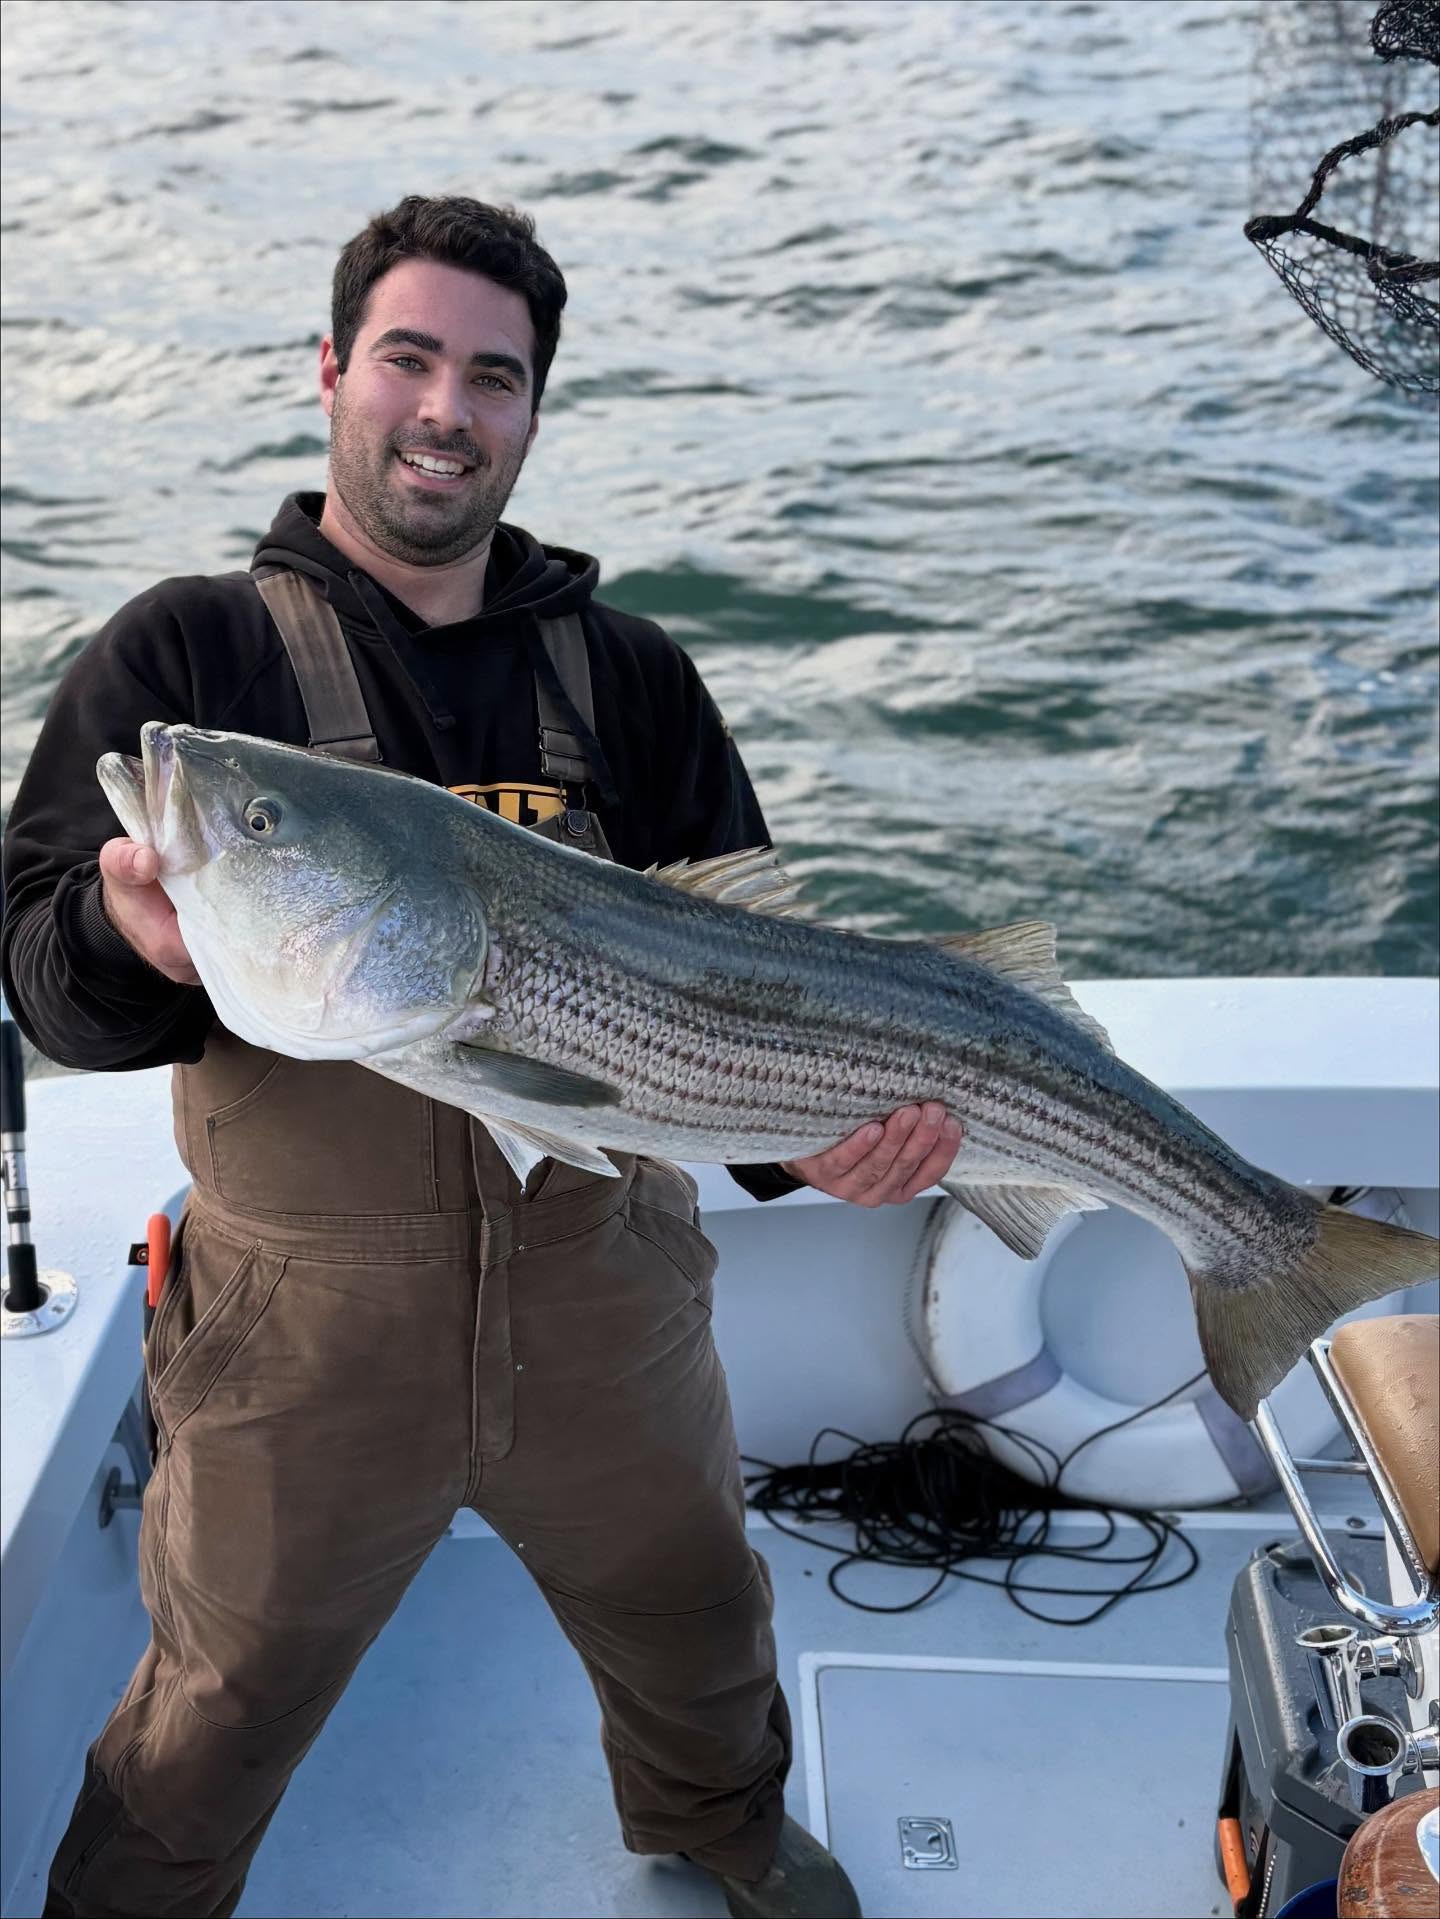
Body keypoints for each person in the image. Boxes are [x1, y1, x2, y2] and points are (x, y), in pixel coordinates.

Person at [1, 195, 963, 1919]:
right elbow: (48, 983)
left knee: (698, 1620)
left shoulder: (631, 675)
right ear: (332, 373)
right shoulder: (189, 660)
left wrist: (813, 1145)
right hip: (305, 1335)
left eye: (494, 377)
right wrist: (114, 937)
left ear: (531, 411)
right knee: (215, 1700)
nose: (446, 409)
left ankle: (724, 1824)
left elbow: (746, 995)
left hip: (607, 1292)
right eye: (410, 359)